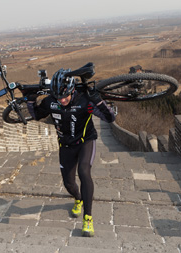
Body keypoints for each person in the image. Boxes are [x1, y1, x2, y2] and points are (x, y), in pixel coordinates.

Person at [27, 68, 115, 237]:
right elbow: (37, 115)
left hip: (85, 142)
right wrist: (31, 102)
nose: (63, 99)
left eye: (65, 95)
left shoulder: (84, 101)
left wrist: (98, 101)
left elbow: (109, 118)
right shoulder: (50, 102)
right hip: (65, 146)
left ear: (72, 90)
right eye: (58, 96)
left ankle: (88, 218)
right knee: (69, 184)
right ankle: (78, 198)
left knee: (84, 171)